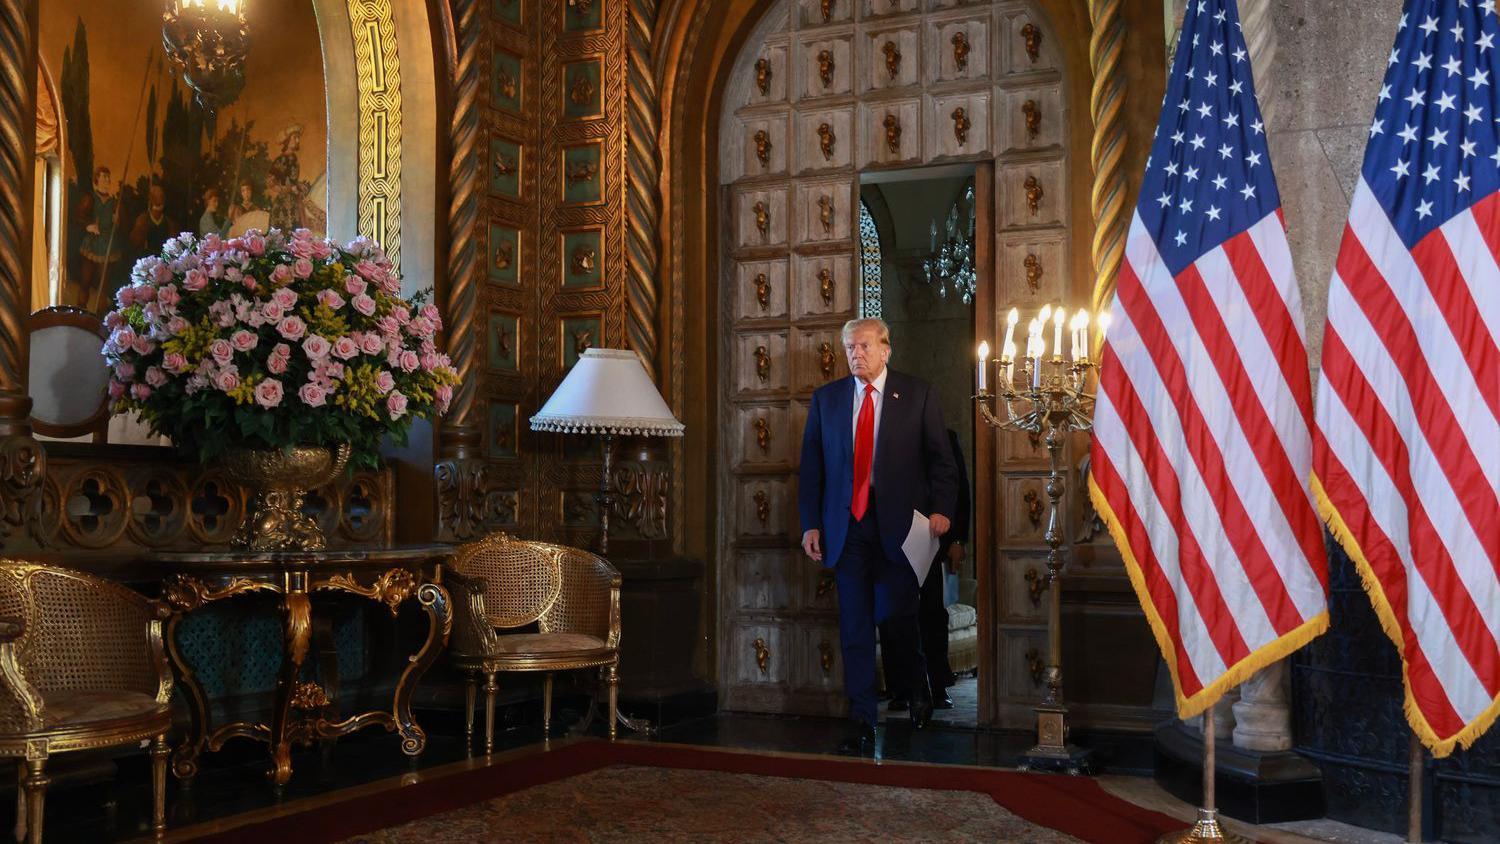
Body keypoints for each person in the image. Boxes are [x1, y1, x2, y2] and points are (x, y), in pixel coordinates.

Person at [798, 317, 958, 753]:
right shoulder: (827, 401)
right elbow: (812, 467)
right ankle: (864, 720)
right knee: (854, 625)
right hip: (847, 529)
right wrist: (810, 523)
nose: (857, 354)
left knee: (897, 616)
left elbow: (941, 461)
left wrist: (942, 511)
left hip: (899, 527)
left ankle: (918, 685)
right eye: (850, 348)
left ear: (886, 350)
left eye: (865, 347)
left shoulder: (917, 395)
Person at [880, 427, 969, 712]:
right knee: (891, 614)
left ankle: (938, 685)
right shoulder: (881, 432)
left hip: (930, 536)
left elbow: (960, 490)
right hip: (889, 536)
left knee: (931, 613)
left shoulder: (945, 436)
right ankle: (901, 688)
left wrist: (957, 539)